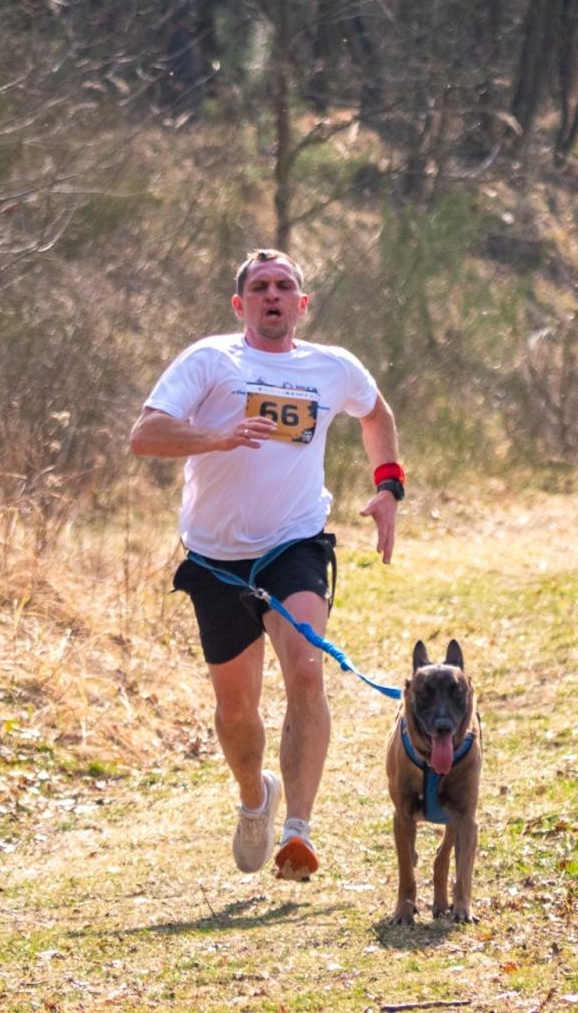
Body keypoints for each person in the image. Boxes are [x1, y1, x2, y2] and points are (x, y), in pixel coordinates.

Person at [129, 249, 403, 881]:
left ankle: (298, 831)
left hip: (294, 544)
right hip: (218, 558)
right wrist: (215, 438)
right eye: (260, 287)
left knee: (307, 669)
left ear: (302, 304)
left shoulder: (332, 368)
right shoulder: (210, 361)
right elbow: (145, 435)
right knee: (236, 707)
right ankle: (256, 800)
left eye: (285, 287)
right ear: (241, 304)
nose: (273, 295)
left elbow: (376, 413)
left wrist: (389, 485)